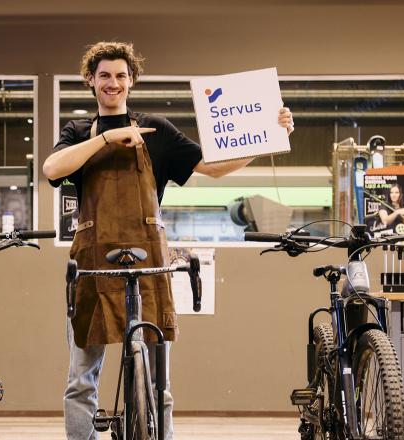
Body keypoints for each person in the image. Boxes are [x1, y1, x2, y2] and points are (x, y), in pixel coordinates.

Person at [43, 41, 295, 440]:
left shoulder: (158, 130)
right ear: (91, 80)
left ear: (132, 80)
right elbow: (52, 168)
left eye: (121, 76)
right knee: (81, 381)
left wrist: (269, 136)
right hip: (93, 263)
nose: (113, 83)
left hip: (150, 260)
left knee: (159, 385)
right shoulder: (77, 131)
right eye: (105, 75)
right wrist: (108, 139)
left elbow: (213, 168)